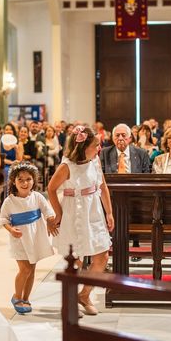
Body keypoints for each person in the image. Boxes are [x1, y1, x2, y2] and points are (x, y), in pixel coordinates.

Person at [48, 126, 115, 316]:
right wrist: (58, 213)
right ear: (84, 146)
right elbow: (51, 189)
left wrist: (109, 213)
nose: (99, 148)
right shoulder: (67, 166)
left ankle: (84, 295)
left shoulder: (95, 161)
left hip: (94, 210)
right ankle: (68, 300)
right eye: (96, 145)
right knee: (75, 259)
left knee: (101, 256)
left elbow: (102, 186)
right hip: (74, 211)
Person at [0, 162, 57, 314]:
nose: (25, 183)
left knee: (32, 269)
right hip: (20, 238)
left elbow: (48, 212)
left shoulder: (37, 197)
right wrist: (11, 230)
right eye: (20, 180)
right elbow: (3, 220)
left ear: (34, 180)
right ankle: (17, 297)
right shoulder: (9, 201)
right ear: (13, 181)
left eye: (28, 179)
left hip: (35, 237)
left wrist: (50, 221)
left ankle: (26, 298)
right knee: (25, 269)